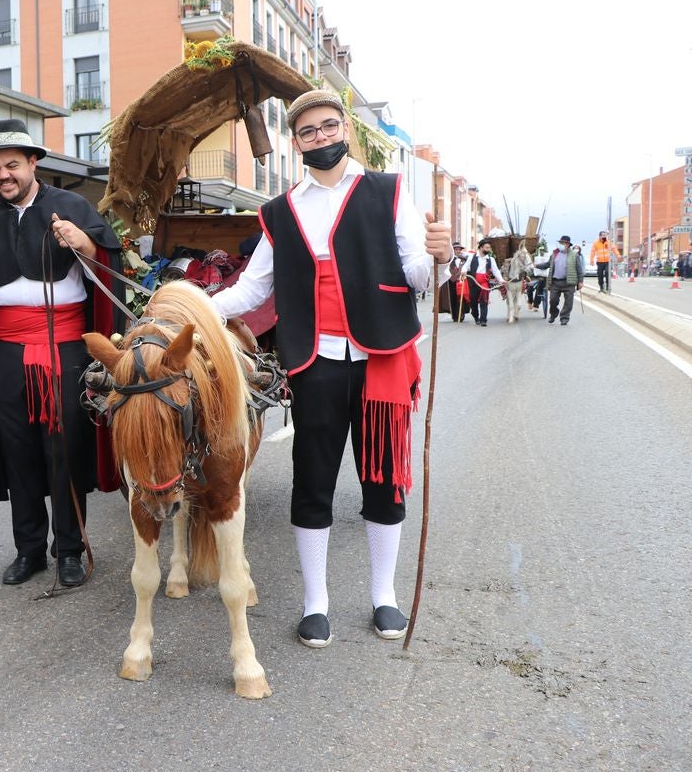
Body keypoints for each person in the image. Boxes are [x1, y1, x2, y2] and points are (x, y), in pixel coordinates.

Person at [208, 89, 452, 648]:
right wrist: (193, 304)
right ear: (297, 144)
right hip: (314, 364)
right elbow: (251, 288)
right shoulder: (279, 211)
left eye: (328, 126)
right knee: (311, 485)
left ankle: (382, 597)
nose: (320, 137)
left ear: (346, 131)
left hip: (380, 358)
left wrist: (440, 255)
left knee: (383, 484)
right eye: (308, 132)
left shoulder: (388, 192)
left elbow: (416, 271)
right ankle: (316, 604)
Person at [0, 119, 125, 588]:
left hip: (66, 350)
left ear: (33, 163)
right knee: (16, 452)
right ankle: (29, 550)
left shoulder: (72, 207)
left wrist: (85, 244)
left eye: (12, 165)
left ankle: (69, 551)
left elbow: (106, 272)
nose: (4, 175)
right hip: (4, 354)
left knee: (65, 451)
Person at [537, 235, 584, 326]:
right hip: (555, 282)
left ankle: (564, 317)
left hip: (568, 282)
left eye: (562, 243)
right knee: (553, 300)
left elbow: (579, 269)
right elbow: (547, 264)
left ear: (567, 244)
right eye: (560, 243)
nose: (560, 244)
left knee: (568, 302)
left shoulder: (574, 255)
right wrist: (536, 265)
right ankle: (554, 313)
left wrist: (580, 281)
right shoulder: (555, 254)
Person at [461, 238, 505, 327]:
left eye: (489, 248)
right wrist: (464, 271)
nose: (488, 250)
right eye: (487, 248)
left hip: (484, 283)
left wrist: (501, 280)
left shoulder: (491, 259)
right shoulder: (472, 257)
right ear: (481, 248)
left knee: (484, 301)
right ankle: (476, 316)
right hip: (474, 282)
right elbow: (465, 266)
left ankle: (483, 320)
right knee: (473, 301)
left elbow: (495, 271)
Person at [444, 242, 467, 322]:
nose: (457, 251)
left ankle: (461, 314)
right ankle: (454, 315)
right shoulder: (449, 259)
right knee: (453, 298)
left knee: (461, 298)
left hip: (461, 280)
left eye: (459, 249)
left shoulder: (464, 259)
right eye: (456, 249)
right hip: (452, 281)